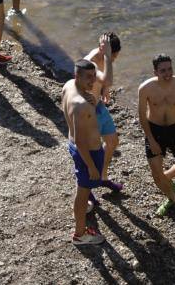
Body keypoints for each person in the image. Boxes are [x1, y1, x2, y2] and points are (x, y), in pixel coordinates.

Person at [138, 54, 175, 216]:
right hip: (154, 130)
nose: (168, 73)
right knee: (155, 172)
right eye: (163, 70)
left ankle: (166, 179)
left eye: (170, 69)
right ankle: (172, 198)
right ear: (155, 72)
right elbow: (142, 116)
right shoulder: (145, 88)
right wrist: (151, 139)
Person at [62, 59, 106, 245]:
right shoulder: (81, 105)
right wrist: (92, 167)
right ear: (77, 76)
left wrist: (92, 101)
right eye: (88, 77)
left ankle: (84, 208)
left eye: (94, 76)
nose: (92, 81)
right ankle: (80, 234)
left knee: (83, 188)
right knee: (83, 190)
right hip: (86, 152)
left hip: (73, 145)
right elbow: (81, 141)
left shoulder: (69, 86)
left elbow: (68, 113)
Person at [84, 33, 123, 194]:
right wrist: (107, 56)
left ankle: (103, 177)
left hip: (99, 107)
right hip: (87, 112)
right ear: (104, 49)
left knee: (112, 142)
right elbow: (106, 78)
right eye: (112, 55)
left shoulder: (104, 58)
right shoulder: (90, 62)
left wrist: (104, 89)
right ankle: (87, 190)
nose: (113, 59)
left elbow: (104, 81)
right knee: (91, 151)